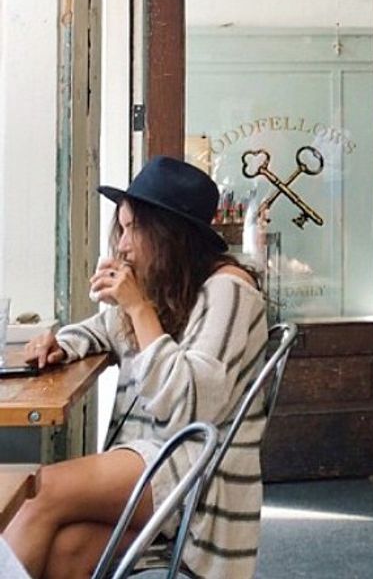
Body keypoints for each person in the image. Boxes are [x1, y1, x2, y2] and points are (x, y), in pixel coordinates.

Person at [4, 156, 269, 579]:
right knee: (64, 552)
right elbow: (102, 329)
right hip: (159, 460)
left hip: (197, 474)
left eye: (133, 230)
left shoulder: (229, 292)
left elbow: (191, 406)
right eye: (122, 229)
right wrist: (61, 344)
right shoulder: (171, 285)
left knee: (36, 494)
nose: (122, 245)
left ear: (168, 234)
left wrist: (138, 307)